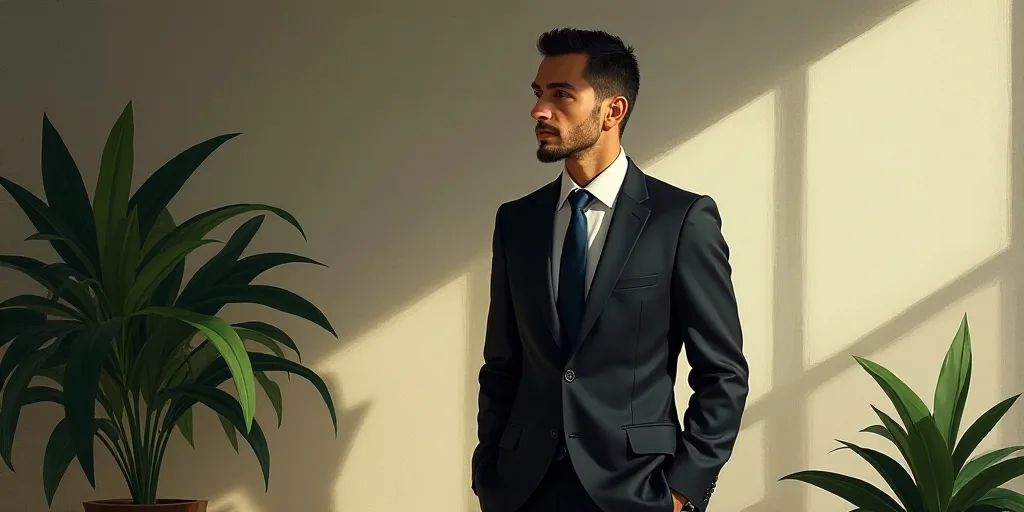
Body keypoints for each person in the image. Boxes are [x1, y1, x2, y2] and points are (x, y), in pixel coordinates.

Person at [471, 27, 749, 512]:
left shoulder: (679, 219)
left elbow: (722, 372)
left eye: (561, 95)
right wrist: (488, 473)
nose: (539, 111)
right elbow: (502, 364)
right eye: (538, 94)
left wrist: (682, 491)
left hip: (635, 489)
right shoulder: (517, 222)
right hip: (523, 490)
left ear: (612, 111)